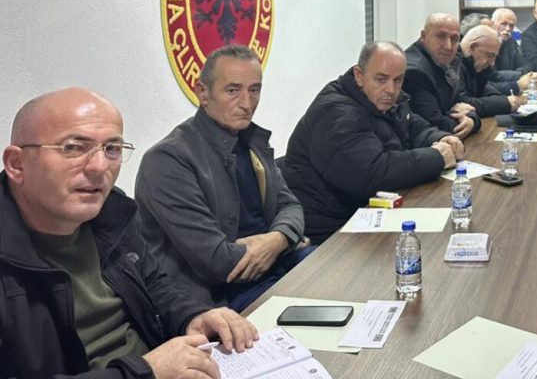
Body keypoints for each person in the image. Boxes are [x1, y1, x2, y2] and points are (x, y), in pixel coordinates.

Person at [0, 87, 257, 378]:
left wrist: (193, 316)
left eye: (112, 149)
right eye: (73, 147)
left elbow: (154, 285)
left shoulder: (111, 211)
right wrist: (145, 372)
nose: (100, 167)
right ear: (17, 164)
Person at [136, 45, 308, 312]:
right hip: (219, 297)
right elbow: (217, 260)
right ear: (203, 93)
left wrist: (278, 239)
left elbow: (291, 206)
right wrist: (287, 241)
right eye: (232, 90)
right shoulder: (168, 160)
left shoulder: (251, 141)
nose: (247, 103)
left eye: (254, 90)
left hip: (274, 265)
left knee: (351, 279)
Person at [283, 42, 464, 244]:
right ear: (359, 76)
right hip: (330, 230)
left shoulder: (380, 98)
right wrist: (437, 157)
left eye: (398, 80)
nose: (391, 89)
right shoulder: (337, 112)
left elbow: (411, 124)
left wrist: (438, 138)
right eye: (381, 79)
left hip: (365, 212)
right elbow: (372, 174)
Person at [403, 13, 481, 138]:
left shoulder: (443, 61)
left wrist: (471, 117)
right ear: (423, 36)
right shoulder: (415, 72)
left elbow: (461, 102)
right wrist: (473, 120)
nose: (448, 46)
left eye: (454, 39)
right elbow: (438, 125)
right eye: (441, 36)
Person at [458, 25, 520, 116]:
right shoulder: (454, 63)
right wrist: (504, 103)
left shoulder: (474, 64)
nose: (492, 63)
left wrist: (502, 99)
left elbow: (484, 87)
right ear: (472, 47)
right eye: (490, 56)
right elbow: (463, 103)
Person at [489, 7, 537, 95]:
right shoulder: (486, 43)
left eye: (511, 26)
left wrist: (525, 74)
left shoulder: (510, 41)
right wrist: (521, 75)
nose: (508, 29)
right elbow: (492, 75)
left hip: (511, 88)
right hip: (494, 91)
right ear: (492, 24)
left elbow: (527, 64)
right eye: (503, 24)